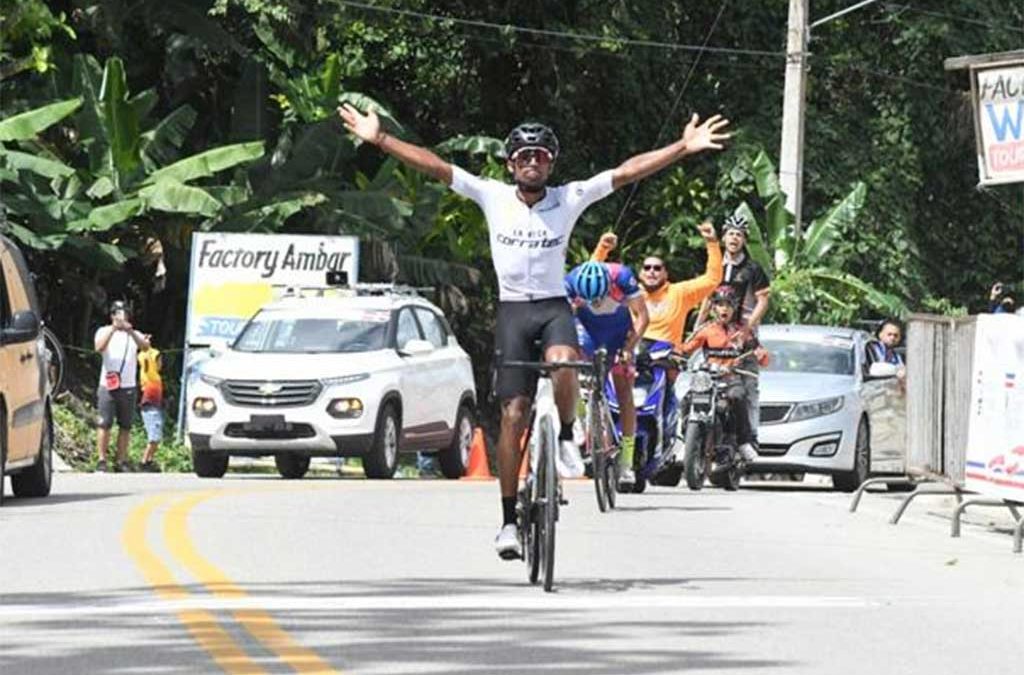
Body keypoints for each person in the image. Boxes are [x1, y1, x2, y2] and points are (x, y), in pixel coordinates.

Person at [339, 104, 731, 559]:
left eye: (541, 156)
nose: (532, 162)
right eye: (524, 156)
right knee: (512, 415)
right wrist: (380, 138)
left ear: (551, 163)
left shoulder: (568, 197)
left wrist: (683, 147)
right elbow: (437, 165)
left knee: (564, 362)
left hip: (552, 308)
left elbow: (625, 172)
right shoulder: (492, 195)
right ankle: (508, 522)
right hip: (511, 313)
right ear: (510, 164)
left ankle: (567, 434)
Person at [565, 260, 648, 490]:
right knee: (570, 371)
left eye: (599, 297)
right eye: (590, 299)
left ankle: (627, 461)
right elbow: (562, 320)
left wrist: (630, 347)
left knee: (623, 389)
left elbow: (642, 317)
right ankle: (582, 421)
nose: (596, 302)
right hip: (587, 332)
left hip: (619, 333)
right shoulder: (570, 282)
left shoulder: (622, 276)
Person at [695, 214, 770, 447]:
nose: (734, 238)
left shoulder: (752, 268)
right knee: (701, 378)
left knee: (748, 386)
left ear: (744, 239)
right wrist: (698, 325)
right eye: (730, 233)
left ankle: (752, 434)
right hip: (716, 333)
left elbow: (763, 300)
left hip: (742, 335)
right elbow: (708, 297)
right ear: (724, 237)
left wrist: (749, 328)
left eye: (739, 234)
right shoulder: (715, 265)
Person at [679, 286, 766, 464]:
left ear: (735, 308)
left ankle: (743, 442)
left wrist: (760, 355)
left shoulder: (743, 332)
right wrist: (673, 354)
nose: (724, 309)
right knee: (687, 399)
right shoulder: (706, 330)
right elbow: (685, 349)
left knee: (739, 397)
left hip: (731, 378)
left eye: (728, 305)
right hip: (708, 378)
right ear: (713, 308)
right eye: (719, 304)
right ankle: (685, 442)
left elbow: (759, 353)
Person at [94, 300, 151, 472]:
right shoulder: (103, 331)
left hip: (128, 386)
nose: (121, 316)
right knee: (104, 423)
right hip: (107, 385)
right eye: (118, 313)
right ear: (112, 316)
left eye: (124, 313)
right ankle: (101, 459)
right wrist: (113, 329)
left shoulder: (133, 334)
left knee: (125, 425)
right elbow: (99, 347)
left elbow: (145, 346)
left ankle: (121, 460)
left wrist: (130, 331)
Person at [137, 342, 164, 472]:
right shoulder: (149, 374)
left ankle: (149, 460)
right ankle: (144, 461)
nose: (161, 364)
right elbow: (145, 356)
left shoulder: (156, 376)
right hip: (150, 406)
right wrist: (147, 346)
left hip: (155, 406)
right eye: (159, 361)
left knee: (156, 436)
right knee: (154, 436)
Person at [866, 318, 906, 382]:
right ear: (880, 334)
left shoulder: (896, 356)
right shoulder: (873, 348)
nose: (892, 338)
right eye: (889, 334)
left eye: (896, 336)